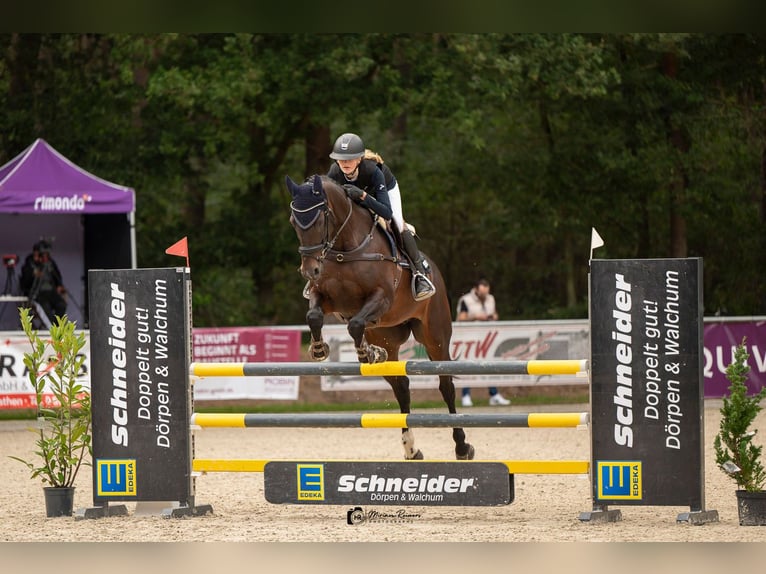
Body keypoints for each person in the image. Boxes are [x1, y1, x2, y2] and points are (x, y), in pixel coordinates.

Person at [325, 132, 436, 301]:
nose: (344, 163)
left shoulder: (374, 171)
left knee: (398, 223)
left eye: (349, 159)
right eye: (341, 159)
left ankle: (420, 274)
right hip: (356, 199)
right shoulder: (334, 173)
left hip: (383, 193)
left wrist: (363, 196)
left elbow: (386, 212)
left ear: (359, 159)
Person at [456, 278, 510, 407]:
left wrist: (493, 317)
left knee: (489, 365)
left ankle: (494, 394)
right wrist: (475, 317)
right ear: (476, 290)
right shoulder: (466, 300)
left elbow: (495, 313)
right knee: (468, 367)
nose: (484, 295)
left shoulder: (491, 299)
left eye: (486, 292)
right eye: (482, 293)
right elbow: (461, 318)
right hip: (470, 340)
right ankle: (466, 395)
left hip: (487, 338)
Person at [19, 239, 67, 326]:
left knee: (61, 304)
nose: (44, 256)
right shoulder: (29, 264)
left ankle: (58, 326)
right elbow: (24, 283)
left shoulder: (50, 263)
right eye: (42, 254)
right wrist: (33, 274)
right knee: (45, 307)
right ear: (36, 253)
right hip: (37, 294)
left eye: (46, 254)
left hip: (51, 291)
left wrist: (59, 285)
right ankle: (53, 329)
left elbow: (57, 276)